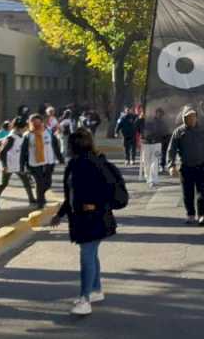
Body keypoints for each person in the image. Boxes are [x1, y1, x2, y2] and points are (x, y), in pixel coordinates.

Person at [50, 128, 120, 316]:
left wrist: (96, 205)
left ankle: (85, 299)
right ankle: (95, 290)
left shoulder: (91, 164)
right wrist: (60, 214)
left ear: (75, 145)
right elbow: (71, 195)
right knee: (91, 254)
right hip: (83, 218)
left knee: (87, 256)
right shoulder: (76, 164)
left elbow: (109, 191)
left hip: (93, 219)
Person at [167, 107, 204, 226]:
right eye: (189, 117)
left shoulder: (203, 131)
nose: (192, 119)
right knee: (187, 193)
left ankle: (202, 215)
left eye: (193, 116)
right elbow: (171, 149)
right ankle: (190, 214)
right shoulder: (178, 132)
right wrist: (171, 165)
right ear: (184, 118)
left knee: (202, 193)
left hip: (202, 166)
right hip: (186, 167)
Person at [0, 118, 37, 208]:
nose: (26, 128)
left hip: (17, 164)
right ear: (19, 128)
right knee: (3, 184)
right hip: (8, 165)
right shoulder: (11, 138)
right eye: (24, 127)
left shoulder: (20, 136)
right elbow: (2, 152)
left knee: (26, 181)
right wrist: (4, 165)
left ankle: (31, 199)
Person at [23, 113, 63, 208]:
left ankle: (41, 195)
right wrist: (23, 164)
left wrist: (60, 158)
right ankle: (40, 202)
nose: (36, 125)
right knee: (39, 182)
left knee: (47, 183)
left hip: (49, 162)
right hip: (34, 163)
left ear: (42, 122)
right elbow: (23, 152)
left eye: (38, 123)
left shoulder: (48, 132)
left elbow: (55, 146)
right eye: (34, 123)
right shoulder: (28, 135)